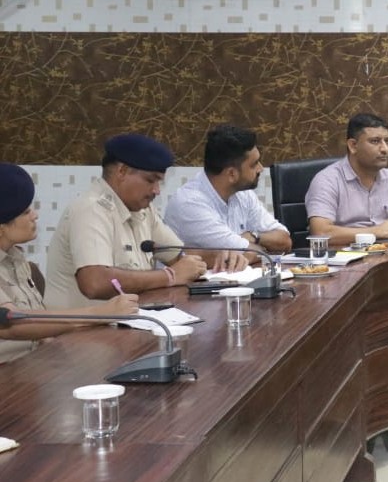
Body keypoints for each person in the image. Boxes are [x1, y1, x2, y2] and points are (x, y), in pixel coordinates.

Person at [44, 133, 244, 308]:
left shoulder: (142, 210)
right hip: (81, 333)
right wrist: (169, 276)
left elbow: (178, 256)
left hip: (128, 324)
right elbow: (95, 283)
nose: (157, 190)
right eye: (150, 180)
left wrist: (221, 257)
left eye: (159, 182)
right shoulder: (91, 210)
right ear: (121, 171)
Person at [1, 163, 138, 364]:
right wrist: (101, 313)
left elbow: (39, 330)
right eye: (25, 212)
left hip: (34, 365)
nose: (35, 215)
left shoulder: (15, 258)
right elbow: (11, 323)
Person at [165, 124, 291, 256]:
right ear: (231, 174)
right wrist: (264, 248)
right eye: (254, 164)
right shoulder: (190, 204)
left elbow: (285, 241)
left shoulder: (244, 194)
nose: (261, 169)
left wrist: (254, 236)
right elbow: (245, 254)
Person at [306, 113, 388, 248]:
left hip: (387, 256)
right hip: (346, 257)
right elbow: (320, 233)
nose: (385, 149)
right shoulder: (327, 180)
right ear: (353, 146)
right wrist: (377, 232)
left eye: (387, 141)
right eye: (375, 141)